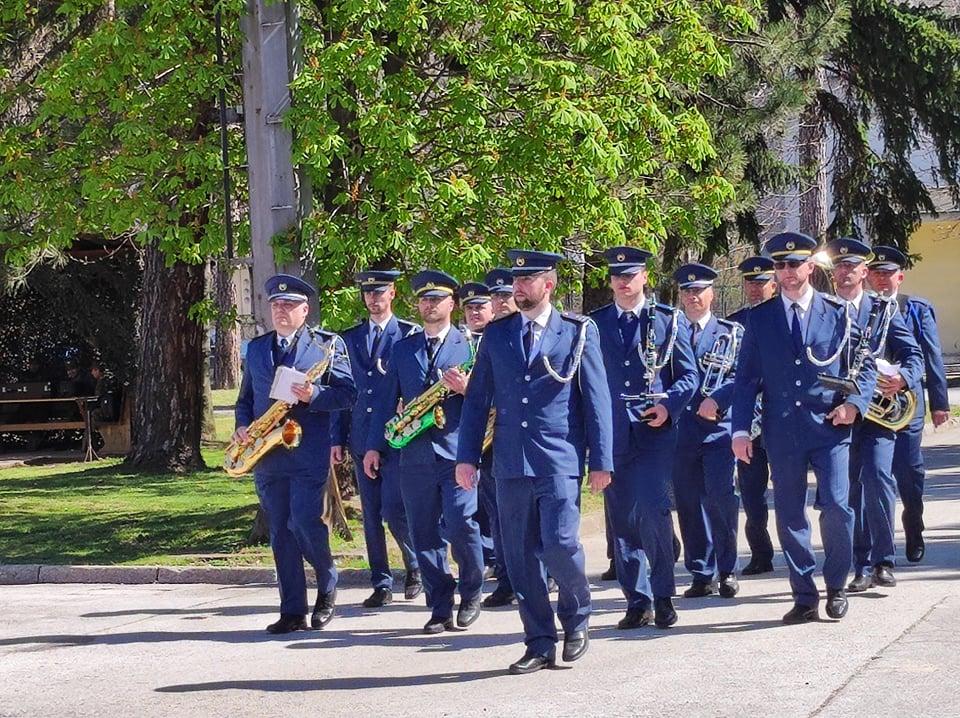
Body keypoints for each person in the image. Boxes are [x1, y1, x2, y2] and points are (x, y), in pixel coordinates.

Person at [456, 249, 613, 675]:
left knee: (561, 545)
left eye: (528, 280)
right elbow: (476, 401)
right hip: (509, 462)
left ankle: (578, 616)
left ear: (550, 284)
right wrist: (466, 456)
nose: (519, 287)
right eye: (516, 280)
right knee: (521, 556)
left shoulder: (578, 331)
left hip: (558, 457)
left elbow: (597, 400)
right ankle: (539, 642)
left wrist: (601, 460)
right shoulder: (498, 333)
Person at [732, 232, 877, 624]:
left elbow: (863, 368)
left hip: (830, 428)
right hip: (782, 431)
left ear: (810, 267)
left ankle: (836, 585)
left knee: (836, 508)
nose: (788, 272)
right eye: (780, 266)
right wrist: (740, 431)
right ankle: (804, 596)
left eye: (795, 264)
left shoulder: (837, 312)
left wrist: (854, 405)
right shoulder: (759, 319)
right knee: (791, 514)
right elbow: (746, 380)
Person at [363, 270, 485, 635]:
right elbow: (385, 401)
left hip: (457, 452)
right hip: (414, 455)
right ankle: (439, 605)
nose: (430, 305)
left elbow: (492, 400)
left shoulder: (471, 347)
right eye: (424, 300)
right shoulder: (403, 348)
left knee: (462, 524)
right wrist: (373, 447)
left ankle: (472, 592)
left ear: (452, 304)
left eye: (437, 299)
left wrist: (467, 390)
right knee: (423, 532)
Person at [233, 274, 357, 634]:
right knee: (280, 532)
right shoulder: (257, 349)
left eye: (289, 305)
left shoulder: (325, 346)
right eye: (276, 305)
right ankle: (292, 610)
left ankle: (327, 581)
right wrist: (243, 426)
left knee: (303, 522)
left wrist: (313, 396)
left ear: (305, 309)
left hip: (306, 452)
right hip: (266, 454)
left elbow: (348, 395)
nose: (281, 311)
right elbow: (245, 400)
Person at [589, 247, 698, 629]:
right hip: (612, 432)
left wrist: (669, 404)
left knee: (654, 511)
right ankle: (636, 599)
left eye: (630, 274)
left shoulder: (667, 320)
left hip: (654, 433)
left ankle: (664, 595)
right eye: (617, 275)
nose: (623, 281)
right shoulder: (595, 324)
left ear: (645, 277)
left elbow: (689, 376)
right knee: (622, 521)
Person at [825, 238, 923, 592]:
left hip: (879, 416)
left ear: (864, 272)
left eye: (852, 267)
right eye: (839, 266)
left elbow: (915, 357)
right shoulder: (823, 309)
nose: (845, 273)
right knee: (848, 488)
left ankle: (884, 560)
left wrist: (902, 377)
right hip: (837, 413)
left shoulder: (883, 311)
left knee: (879, 479)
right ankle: (859, 564)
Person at [330, 269, 422, 609]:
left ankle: (415, 567)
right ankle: (381, 581)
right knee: (371, 514)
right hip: (359, 434)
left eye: (379, 292)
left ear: (392, 294)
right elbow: (343, 393)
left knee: (395, 509)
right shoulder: (349, 339)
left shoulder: (409, 335)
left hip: (396, 437)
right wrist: (336, 438)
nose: (373, 298)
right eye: (368, 293)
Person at [867, 245, 951, 562]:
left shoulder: (914, 308)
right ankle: (880, 547)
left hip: (907, 406)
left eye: (887, 273)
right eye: (876, 273)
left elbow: (931, 355)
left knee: (909, 472)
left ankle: (913, 526)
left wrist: (939, 403)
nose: (881, 279)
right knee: (876, 476)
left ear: (899, 277)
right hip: (871, 407)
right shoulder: (861, 309)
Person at [672, 263, 741, 600]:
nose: (692, 296)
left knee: (721, 500)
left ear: (712, 293)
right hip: (680, 431)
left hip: (718, 432)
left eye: (698, 290)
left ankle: (727, 570)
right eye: (687, 291)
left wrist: (718, 399)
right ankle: (701, 572)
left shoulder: (730, 333)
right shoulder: (668, 333)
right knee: (688, 503)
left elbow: (742, 375)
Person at [459, 281, 515, 607]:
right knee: (497, 514)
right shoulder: (472, 342)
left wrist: (470, 389)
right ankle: (506, 578)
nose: (499, 303)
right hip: (486, 441)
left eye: (503, 297)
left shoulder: (512, 337)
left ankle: (543, 572)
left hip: (516, 436)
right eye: (496, 297)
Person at [727, 257, 778, 575]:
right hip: (748, 419)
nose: (755, 289)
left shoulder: (783, 318)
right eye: (750, 283)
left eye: (762, 283)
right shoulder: (734, 323)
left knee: (789, 488)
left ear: (774, 284)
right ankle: (760, 552)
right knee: (751, 491)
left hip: (780, 417)